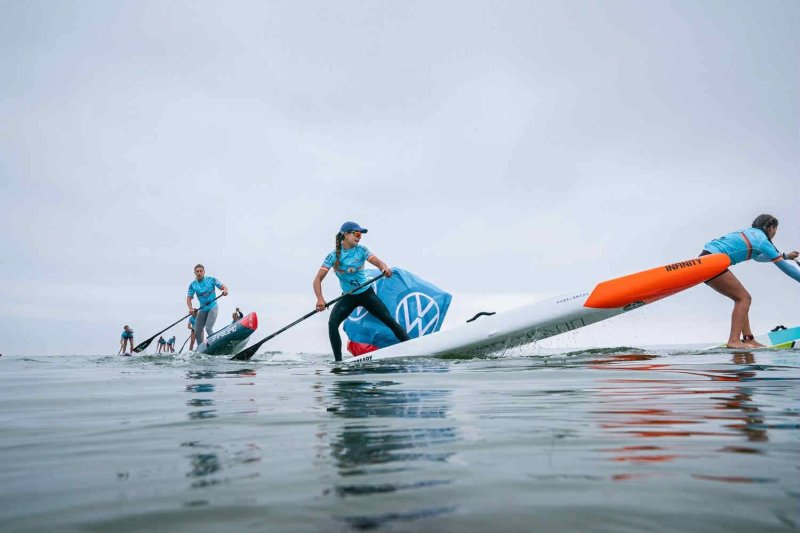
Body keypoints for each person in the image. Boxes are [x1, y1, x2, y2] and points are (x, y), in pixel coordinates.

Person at [313, 221, 410, 362]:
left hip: (366, 293)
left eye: (361, 235)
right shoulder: (333, 256)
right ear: (345, 235)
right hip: (348, 296)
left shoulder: (362, 250)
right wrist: (320, 299)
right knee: (332, 324)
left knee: (388, 320)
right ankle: (338, 362)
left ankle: (412, 347)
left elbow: (379, 262)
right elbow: (317, 280)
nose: (359, 237)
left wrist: (384, 268)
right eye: (356, 233)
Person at [701, 214, 799, 349]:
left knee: (741, 298)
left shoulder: (749, 233)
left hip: (705, 261)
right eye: (775, 229)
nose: (775, 233)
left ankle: (748, 339)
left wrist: (785, 256)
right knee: (744, 298)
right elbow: (785, 268)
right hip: (712, 263)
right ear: (771, 228)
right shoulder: (762, 240)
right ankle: (734, 341)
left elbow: (758, 257)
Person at [186, 264, 228, 346]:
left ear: (204, 272)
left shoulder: (211, 280)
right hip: (202, 309)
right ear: (194, 273)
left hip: (212, 307)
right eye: (197, 271)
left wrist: (225, 290)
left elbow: (223, 286)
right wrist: (190, 309)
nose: (199, 273)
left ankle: (215, 345)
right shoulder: (192, 285)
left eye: (201, 271)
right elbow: (189, 298)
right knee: (197, 331)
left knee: (208, 328)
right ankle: (201, 350)